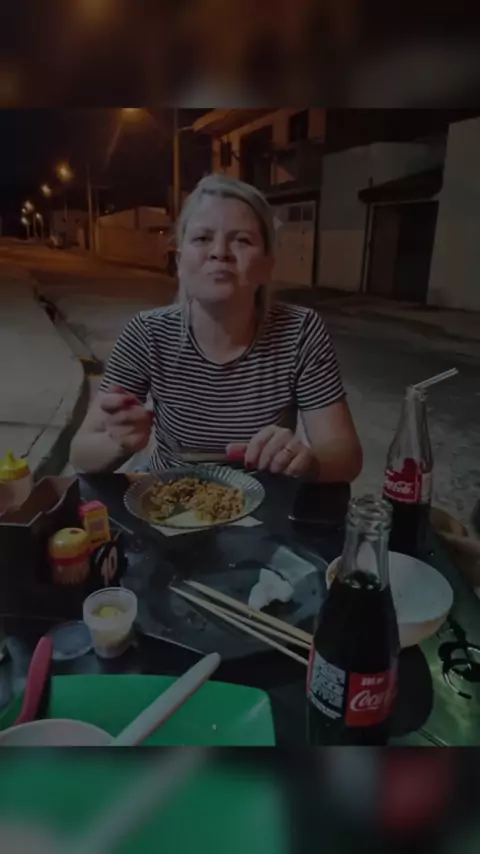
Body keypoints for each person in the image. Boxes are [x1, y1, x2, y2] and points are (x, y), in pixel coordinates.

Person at [70, 174, 362, 482]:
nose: (220, 252)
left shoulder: (300, 330)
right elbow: (80, 454)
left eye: (242, 240)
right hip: (168, 496)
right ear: (180, 263)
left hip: (266, 499)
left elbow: (346, 456)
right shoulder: (147, 333)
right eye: (202, 238)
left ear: (266, 265)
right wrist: (116, 441)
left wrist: (306, 461)